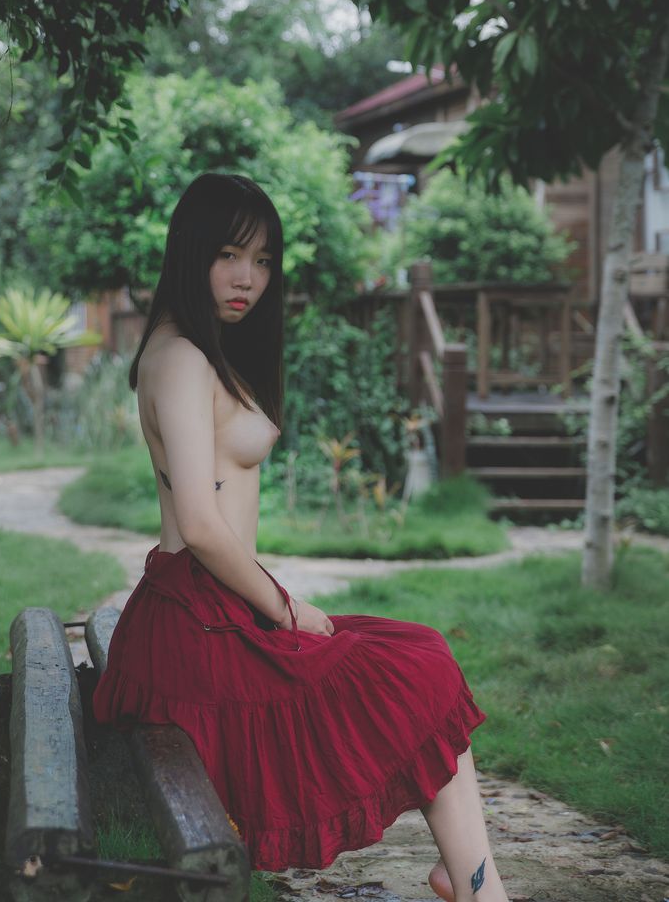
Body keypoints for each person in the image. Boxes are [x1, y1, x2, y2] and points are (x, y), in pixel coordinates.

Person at [92, 172, 510, 902]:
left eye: (262, 260)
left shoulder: (185, 348)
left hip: (210, 611)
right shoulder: (183, 357)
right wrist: (287, 609)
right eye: (228, 254)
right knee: (415, 671)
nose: (247, 278)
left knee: (417, 657)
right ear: (190, 250)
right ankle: (479, 889)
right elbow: (200, 525)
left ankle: (470, 880)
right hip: (201, 624)